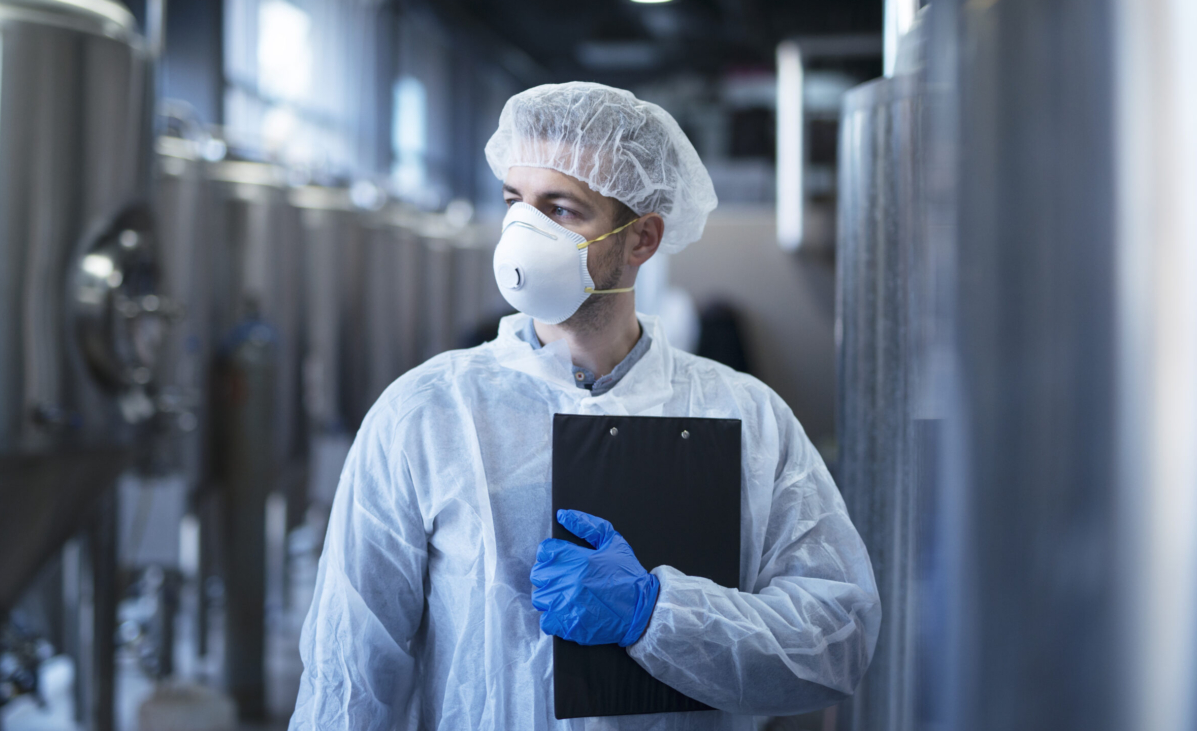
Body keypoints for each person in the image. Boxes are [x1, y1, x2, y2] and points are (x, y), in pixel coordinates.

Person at [289, 82, 880, 730]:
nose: (523, 232)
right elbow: (347, 678)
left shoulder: (745, 417)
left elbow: (837, 637)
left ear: (642, 239)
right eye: (516, 202)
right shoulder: (425, 417)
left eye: (561, 209)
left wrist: (656, 612)